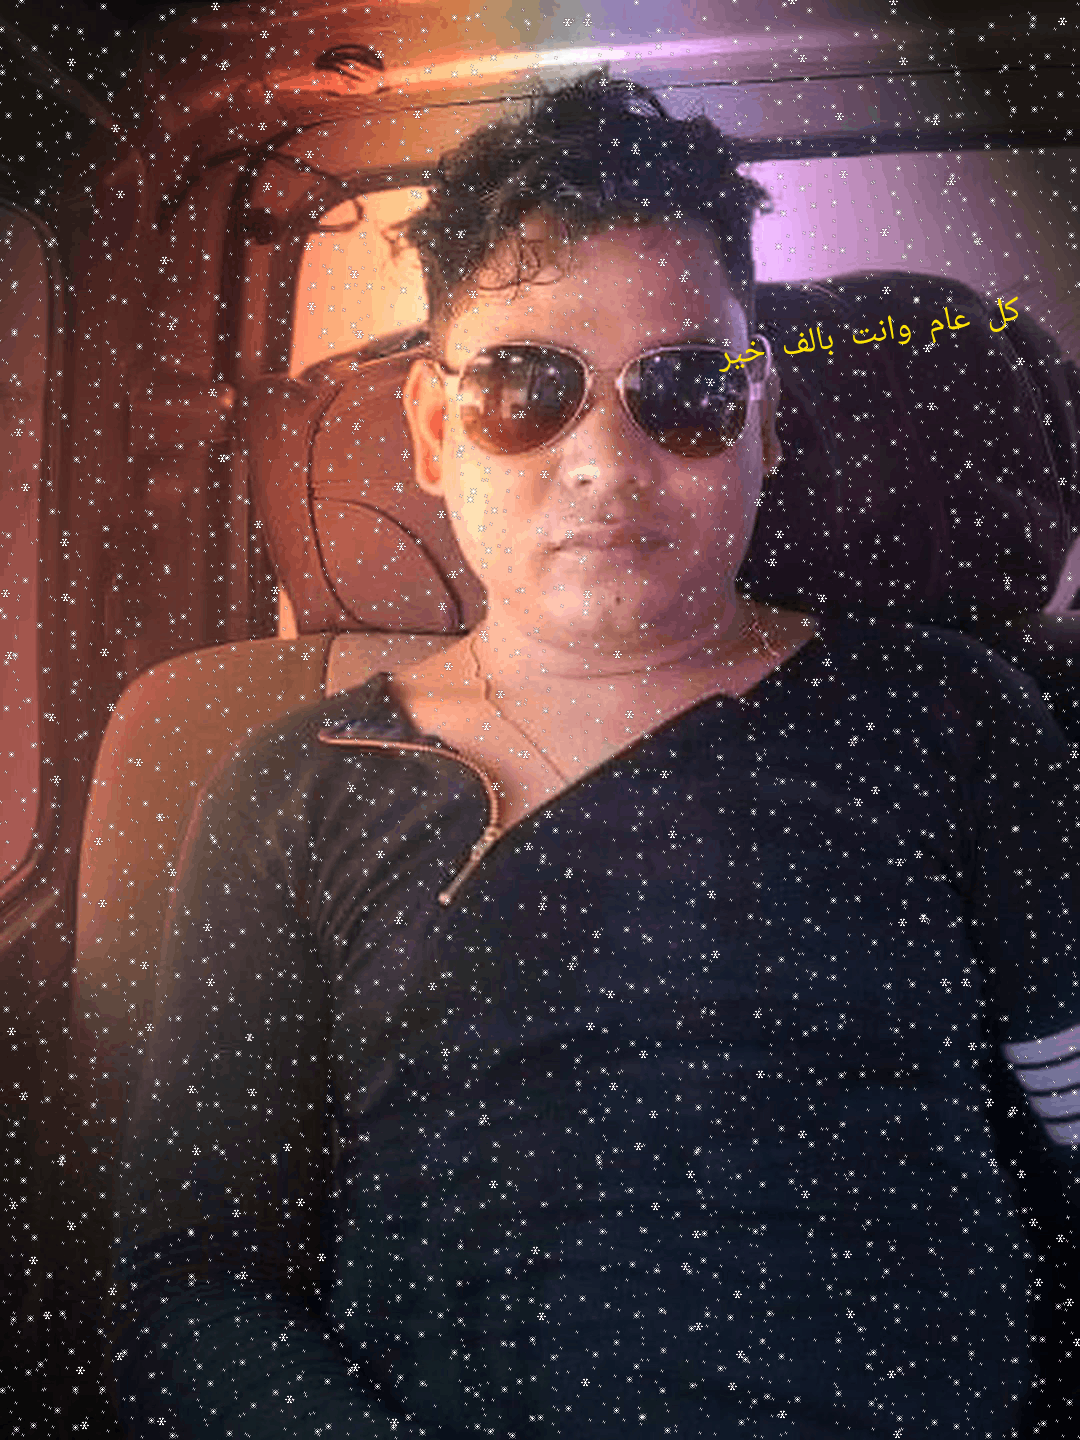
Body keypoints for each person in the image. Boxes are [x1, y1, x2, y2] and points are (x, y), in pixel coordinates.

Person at [109, 72, 1079, 1439]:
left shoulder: (948, 718)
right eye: (526, 387)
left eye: (683, 388)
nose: (606, 462)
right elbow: (194, 1282)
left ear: (764, 423)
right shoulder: (298, 785)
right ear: (435, 430)